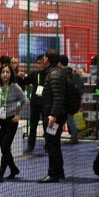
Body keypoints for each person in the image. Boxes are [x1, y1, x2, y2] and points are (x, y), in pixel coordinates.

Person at [0, 62, 26, 183]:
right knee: (4, 149)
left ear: (11, 74)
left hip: (11, 120)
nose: (5, 74)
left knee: (5, 147)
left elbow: (24, 100)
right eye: (3, 72)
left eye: (8, 72)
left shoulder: (15, 87)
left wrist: (17, 113)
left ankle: (1, 173)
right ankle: (13, 168)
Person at [38, 51, 68, 183]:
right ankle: (59, 172)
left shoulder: (54, 74)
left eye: (44, 57)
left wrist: (53, 115)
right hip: (54, 115)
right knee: (54, 143)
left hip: (53, 117)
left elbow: (57, 96)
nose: (43, 60)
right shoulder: (54, 72)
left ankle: (53, 173)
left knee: (51, 143)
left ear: (47, 59)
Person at [24, 53, 48, 153]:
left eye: (41, 63)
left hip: (46, 104)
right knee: (33, 126)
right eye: (38, 63)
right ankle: (30, 145)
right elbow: (24, 81)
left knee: (47, 126)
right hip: (35, 104)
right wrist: (19, 76)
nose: (40, 65)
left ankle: (48, 145)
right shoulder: (34, 74)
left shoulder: (50, 74)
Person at [60, 55, 82, 144]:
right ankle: (73, 135)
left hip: (66, 102)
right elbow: (80, 89)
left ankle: (74, 136)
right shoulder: (74, 75)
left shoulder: (62, 74)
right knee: (69, 119)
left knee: (68, 119)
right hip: (74, 101)